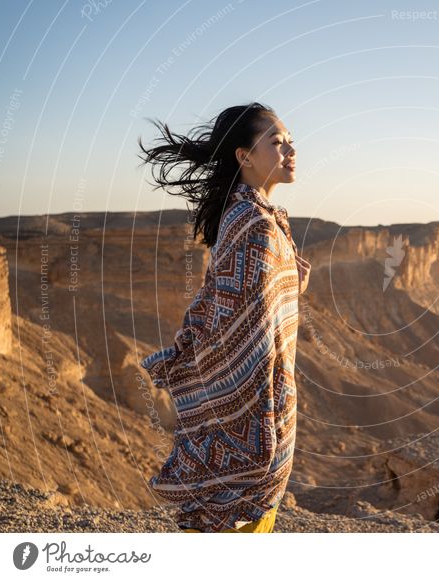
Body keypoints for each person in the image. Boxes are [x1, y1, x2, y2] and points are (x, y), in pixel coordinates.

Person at [137, 102, 310, 533]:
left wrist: (292, 283)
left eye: (290, 140)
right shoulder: (255, 225)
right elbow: (241, 324)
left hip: (257, 399)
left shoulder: (255, 215)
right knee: (238, 525)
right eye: (276, 141)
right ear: (244, 156)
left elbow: (251, 302)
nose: (290, 149)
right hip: (252, 410)